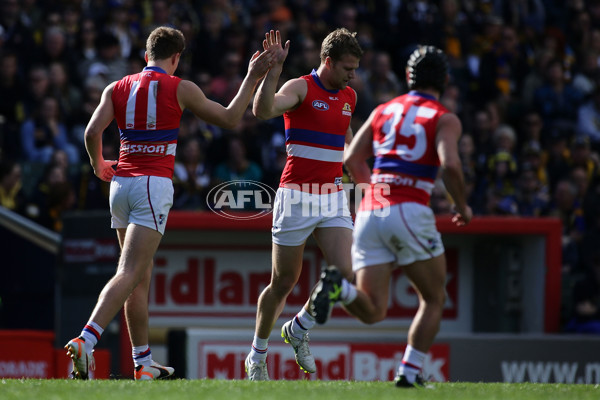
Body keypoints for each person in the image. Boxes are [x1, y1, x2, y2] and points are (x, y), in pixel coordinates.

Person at [64, 26, 273, 380]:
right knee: (130, 274)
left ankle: (143, 362)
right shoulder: (181, 87)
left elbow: (90, 132)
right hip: (152, 185)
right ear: (176, 57)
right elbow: (230, 118)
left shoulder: (117, 87)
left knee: (137, 279)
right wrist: (252, 76)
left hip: (120, 185)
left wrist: (99, 163)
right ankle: (88, 338)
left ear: (147, 54)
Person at [310, 46, 472, 388]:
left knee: (372, 309)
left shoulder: (385, 110)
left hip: (372, 210)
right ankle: (410, 373)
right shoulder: (444, 117)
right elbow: (452, 165)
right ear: (444, 79)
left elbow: (352, 158)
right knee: (434, 298)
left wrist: (375, 195)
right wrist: (461, 205)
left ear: (408, 77)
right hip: (409, 208)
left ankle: (339, 287)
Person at [244, 29, 363, 380]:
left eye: (354, 69)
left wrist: (358, 178)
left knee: (347, 274)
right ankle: (257, 355)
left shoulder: (349, 96)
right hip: (296, 195)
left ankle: (298, 328)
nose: (351, 75)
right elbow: (262, 110)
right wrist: (274, 71)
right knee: (283, 281)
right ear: (327, 61)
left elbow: (347, 139)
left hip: (333, 196)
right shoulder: (300, 88)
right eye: (347, 68)